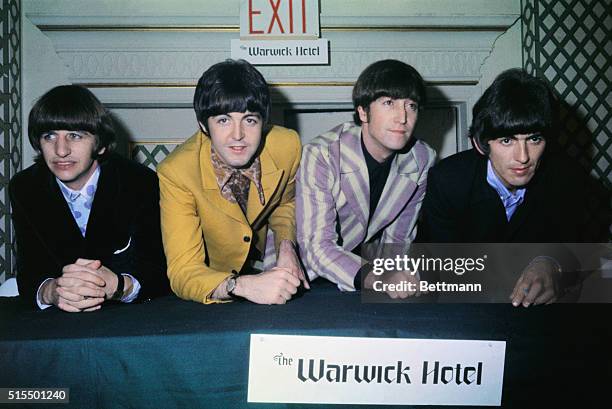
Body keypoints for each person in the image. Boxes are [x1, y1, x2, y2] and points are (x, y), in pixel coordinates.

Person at [417, 68, 590, 306]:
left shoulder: (567, 178)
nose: (523, 157)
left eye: (534, 139)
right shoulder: (448, 181)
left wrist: (551, 263)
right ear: (480, 144)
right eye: (507, 140)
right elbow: (442, 267)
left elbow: (580, 247)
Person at [158, 59, 308, 305]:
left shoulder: (288, 145)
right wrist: (240, 286)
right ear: (203, 125)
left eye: (250, 120)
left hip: (268, 268)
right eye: (223, 120)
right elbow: (183, 271)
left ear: (264, 122)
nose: (238, 135)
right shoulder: (176, 173)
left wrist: (287, 246)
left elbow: (285, 203)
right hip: (216, 285)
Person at [10, 85, 169, 311]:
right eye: (49, 136)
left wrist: (117, 286)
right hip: (59, 319)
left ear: (101, 144)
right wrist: (52, 291)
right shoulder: (25, 188)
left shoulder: (140, 182)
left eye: (74, 136)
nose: (61, 150)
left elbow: (157, 270)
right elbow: (29, 271)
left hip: (128, 316)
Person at [296, 59, 436, 295]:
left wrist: (396, 277)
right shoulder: (322, 154)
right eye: (389, 103)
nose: (402, 117)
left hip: (365, 274)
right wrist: (379, 278)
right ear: (362, 111)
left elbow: (398, 239)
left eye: (411, 106)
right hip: (306, 275)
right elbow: (316, 247)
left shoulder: (422, 158)